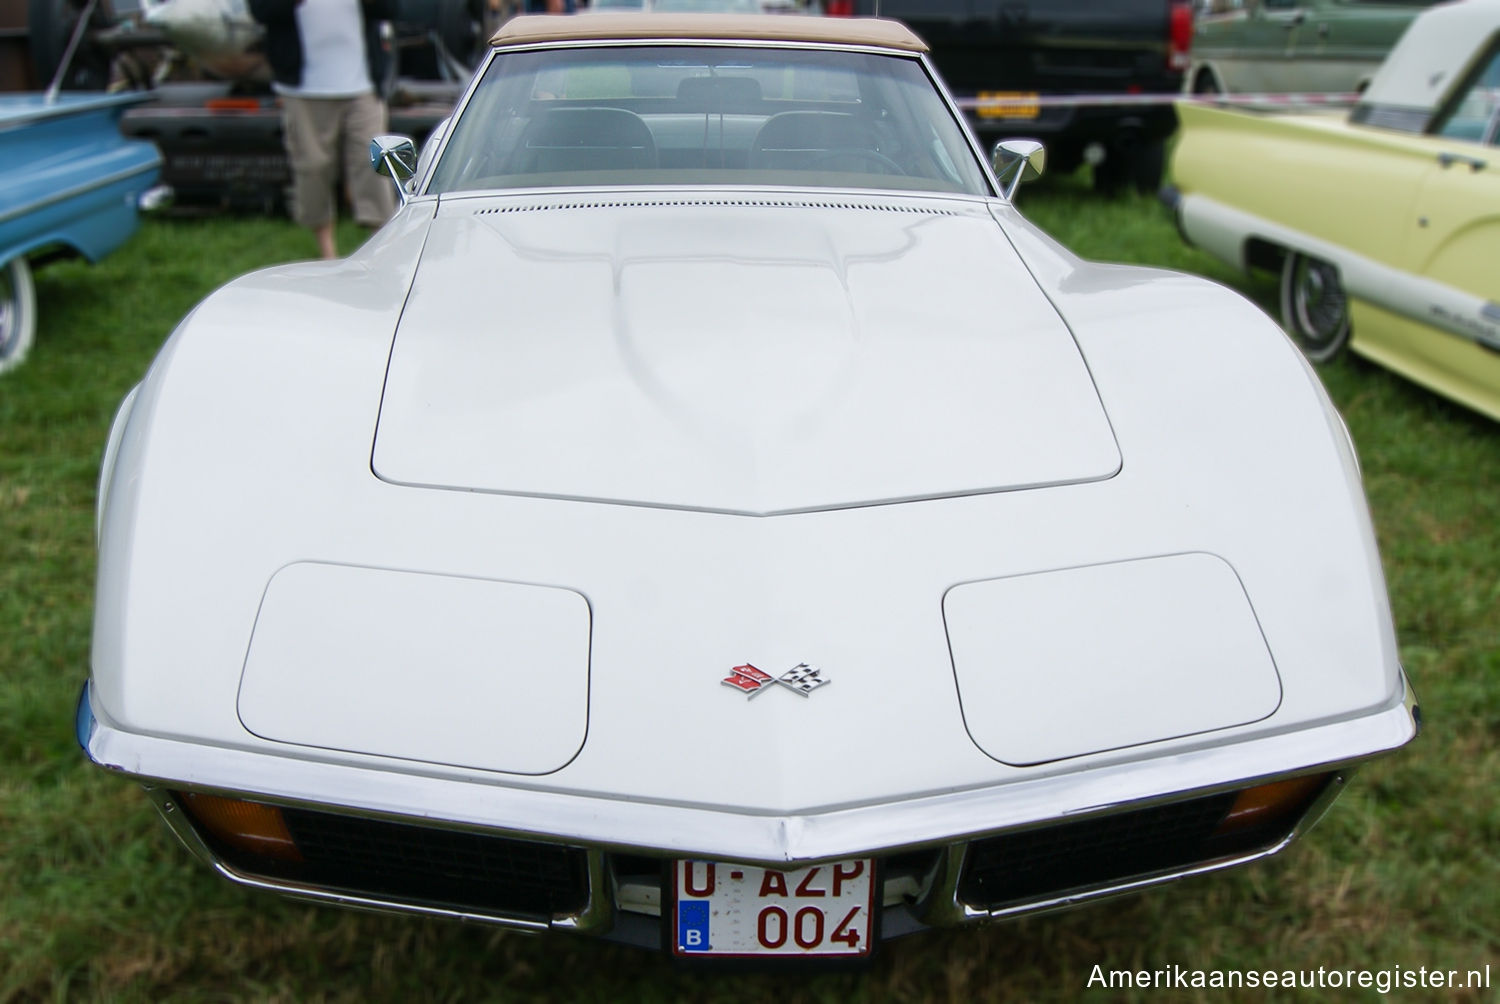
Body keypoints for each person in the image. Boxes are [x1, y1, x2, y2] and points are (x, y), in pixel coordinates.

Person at [249, 0, 397, 259]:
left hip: (363, 86)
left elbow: (391, 9)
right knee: (313, 167)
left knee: (374, 165)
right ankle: (327, 253)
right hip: (303, 88)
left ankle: (382, 249)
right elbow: (262, 11)